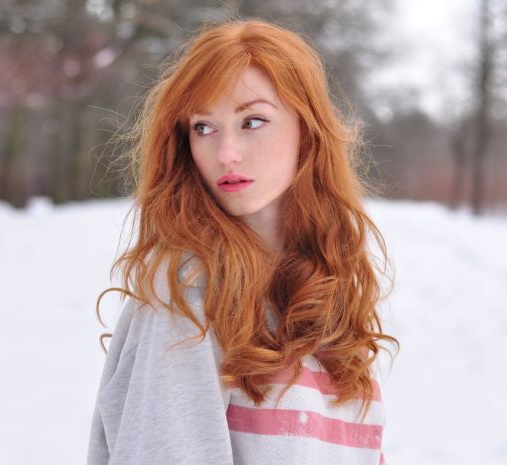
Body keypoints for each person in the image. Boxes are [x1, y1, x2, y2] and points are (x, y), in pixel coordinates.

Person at [86, 18, 399, 465]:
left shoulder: (328, 299)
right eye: (204, 128)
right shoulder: (187, 291)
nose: (225, 152)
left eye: (252, 121)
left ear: (306, 129)